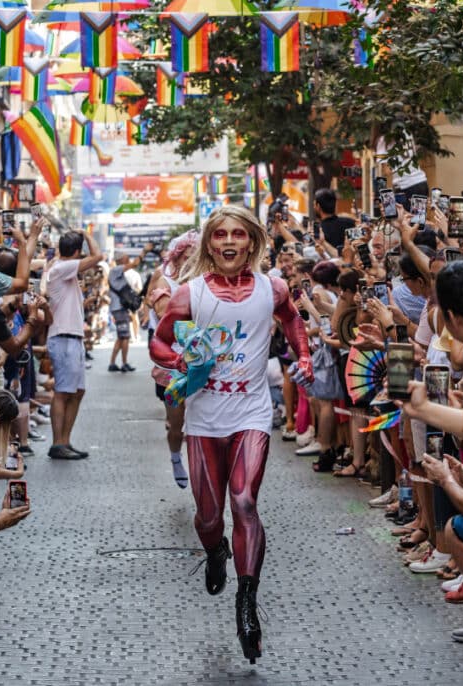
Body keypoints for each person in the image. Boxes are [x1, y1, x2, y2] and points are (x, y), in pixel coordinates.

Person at [150, 206, 313, 663]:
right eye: (219, 234)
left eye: (237, 234)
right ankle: (216, 549)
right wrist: (181, 362)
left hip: (251, 413)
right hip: (204, 417)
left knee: (243, 500)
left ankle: (247, 603)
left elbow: (293, 320)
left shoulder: (272, 287)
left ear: (251, 242)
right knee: (207, 517)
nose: (228, 241)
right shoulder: (191, 293)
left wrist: (303, 356)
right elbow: (159, 343)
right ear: (208, 244)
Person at [45, 230, 103, 460]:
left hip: (72, 338)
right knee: (62, 392)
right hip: (63, 337)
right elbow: (98, 257)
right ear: (77, 252)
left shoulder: (62, 269)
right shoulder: (62, 267)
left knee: (77, 391)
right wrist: (88, 235)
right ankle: (58, 443)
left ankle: (65, 441)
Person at [147, 232, 197, 488]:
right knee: (176, 423)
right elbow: (165, 317)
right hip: (173, 366)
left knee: (203, 424)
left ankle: (203, 468)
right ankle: (176, 457)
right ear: (178, 255)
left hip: (203, 365)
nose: (192, 262)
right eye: (188, 256)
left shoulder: (206, 282)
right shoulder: (165, 280)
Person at [107, 250, 139, 373]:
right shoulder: (116, 270)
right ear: (121, 259)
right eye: (127, 257)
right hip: (119, 309)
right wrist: (145, 251)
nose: (128, 259)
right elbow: (135, 264)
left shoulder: (116, 272)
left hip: (119, 308)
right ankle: (124, 363)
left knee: (121, 337)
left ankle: (112, 363)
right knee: (125, 336)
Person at [313, 188, 355, 254]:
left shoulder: (318, 231)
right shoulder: (350, 223)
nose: (314, 207)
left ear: (318, 206)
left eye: (314, 204)